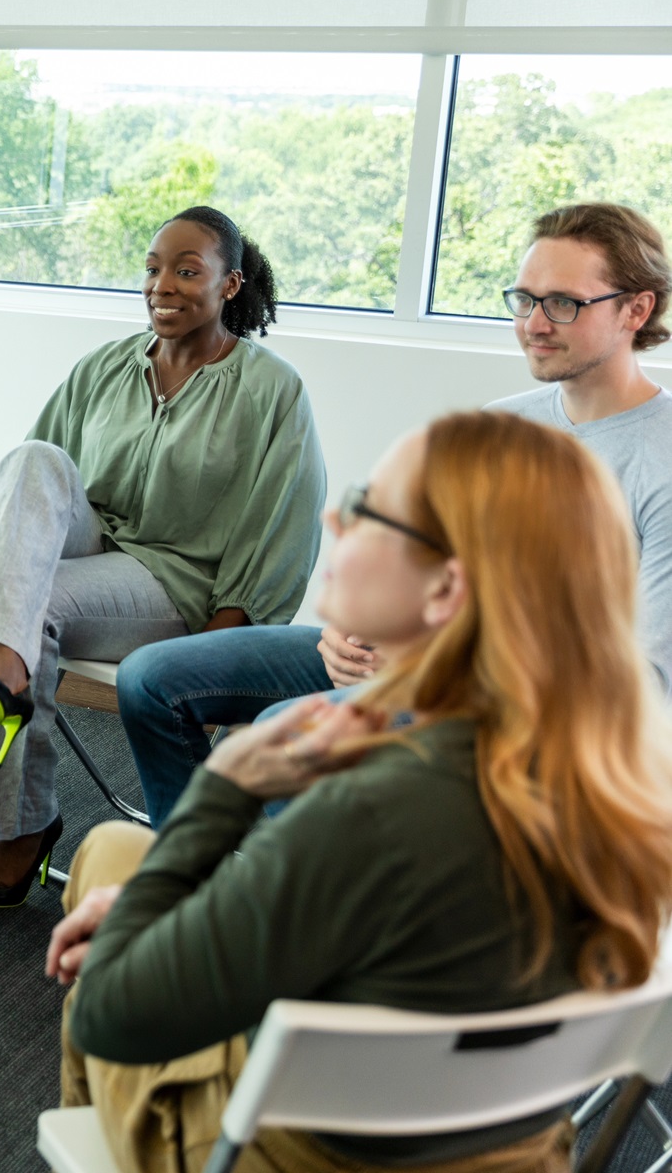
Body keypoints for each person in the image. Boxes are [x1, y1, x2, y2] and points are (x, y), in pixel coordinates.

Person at [48, 410, 672, 1173]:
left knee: (111, 882)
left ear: (447, 589)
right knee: (121, 849)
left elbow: (114, 1017)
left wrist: (220, 799)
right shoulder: (620, 779)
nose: (329, 516)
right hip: (519, 1150)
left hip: (308, 1155)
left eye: (366, 509)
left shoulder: (371, 805)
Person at [118, 201, 672, 826]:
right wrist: (353, 632)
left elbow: (647, 689)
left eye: (564, 303)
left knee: (287, 737)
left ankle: (276, 908)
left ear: (636, 309)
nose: (534, 323)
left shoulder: (661, 462)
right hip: (431, 660)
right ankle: (197, 885)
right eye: (525, 299)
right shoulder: (501, 424)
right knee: (152, 679)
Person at [0, 206, 326, 908]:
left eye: (188, 271)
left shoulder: (270, 388)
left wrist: (225, 639)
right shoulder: (106, 366)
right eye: (154, 269)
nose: (164, 285)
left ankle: (21, 828)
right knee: (31, 460)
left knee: (31, 606)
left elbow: (283, 519)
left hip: (176, 581)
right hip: (97, 543)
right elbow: (30, 496)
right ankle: (6, 653)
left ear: (230, 285)